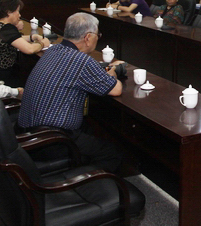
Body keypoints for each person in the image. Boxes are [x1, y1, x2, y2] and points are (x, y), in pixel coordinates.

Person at [18, 12, 124, 173]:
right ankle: (84, 182)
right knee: (112, 153)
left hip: (27, 131)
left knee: (90, 129)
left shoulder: (53, 50)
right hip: (51, 140)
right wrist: (113, 71)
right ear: (88, 37)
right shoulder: (81, 61)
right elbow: (116, 89)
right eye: (98, 35)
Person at [0, 0, 49, 87]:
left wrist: (32, 37)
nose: (19, 15)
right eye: (17, 11)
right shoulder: (6, 28)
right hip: (5, 79)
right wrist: (43, 43)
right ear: (8, 12)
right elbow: (29, 49)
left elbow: (11, 39)